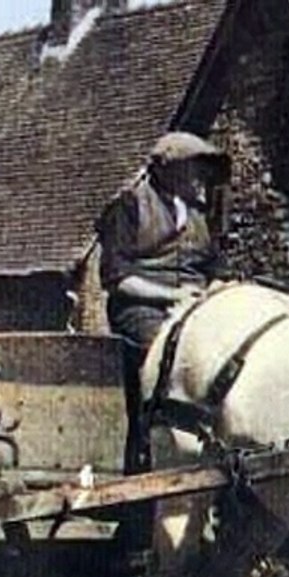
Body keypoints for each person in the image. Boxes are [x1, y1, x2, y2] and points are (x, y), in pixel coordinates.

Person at [95, 131, 231, 473]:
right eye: (190, 167)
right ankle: (154, 448)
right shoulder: (129, 206)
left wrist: (213, 291)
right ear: (166, 169)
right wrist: (172, 296)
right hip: (143, 309)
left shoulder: (198, 214)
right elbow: (116, 277)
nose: (197, 176)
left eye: (200, 168)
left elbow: (215, 268)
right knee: (167, 353)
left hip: (195, 307)